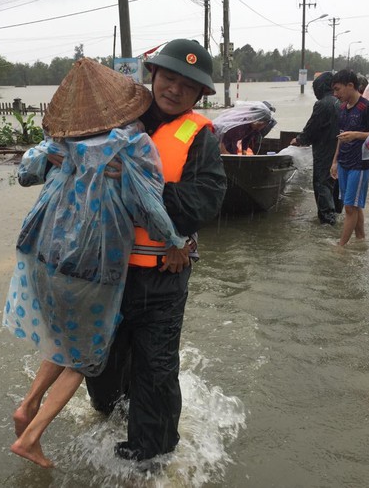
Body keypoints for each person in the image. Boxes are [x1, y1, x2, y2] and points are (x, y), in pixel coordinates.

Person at [3, 58, 189, 467]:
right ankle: (31, 435)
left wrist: (54, 157)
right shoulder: (132, 143)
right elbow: (150, 208)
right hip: (91, 262)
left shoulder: (59, 143)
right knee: (87, 356)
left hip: (43, 252)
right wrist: (177, 242)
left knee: (67, 335)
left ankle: (28, 404)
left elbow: (24, 174)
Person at [85, 39, 227, 462]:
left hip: (161, 279)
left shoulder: (200, 137)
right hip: (104, 271)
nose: (175, 90)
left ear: (199, 95)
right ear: (153, 76)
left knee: (157, 370)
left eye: (188, 85)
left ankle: (152, 457)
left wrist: (139, 188)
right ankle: (108, 415)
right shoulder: (114, 120)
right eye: (169, 78)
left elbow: (205, 201)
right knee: (102, 364)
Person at [330, 69, 369, 246]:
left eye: (338, 89)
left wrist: (357, 135)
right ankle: (361, 240)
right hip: (343, 162)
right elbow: (341, 137)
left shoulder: (367, 108)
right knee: (353, 205)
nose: (336, 95)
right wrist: (335, 161)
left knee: (350, 207)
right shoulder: (342, 109)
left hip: (360, 164)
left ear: (351, 86)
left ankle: (341, 246)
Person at [290, 71, 340, 225]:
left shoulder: (323, 104)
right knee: (337, 181)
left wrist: (299, 140)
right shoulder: (341, 102)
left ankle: (327, 220)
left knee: (322, 183)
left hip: (325, 150)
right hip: (340, 150)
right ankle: (337, 212)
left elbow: (312, 127)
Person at [212, 101, 277, 154]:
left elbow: (247, 139)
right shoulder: (239, 124)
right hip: (216, 140)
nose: (262, 127)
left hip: (230, 142)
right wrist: (224, 152)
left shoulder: (253, 128)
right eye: (262, 124)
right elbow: (223, 136)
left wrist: (244, 150)